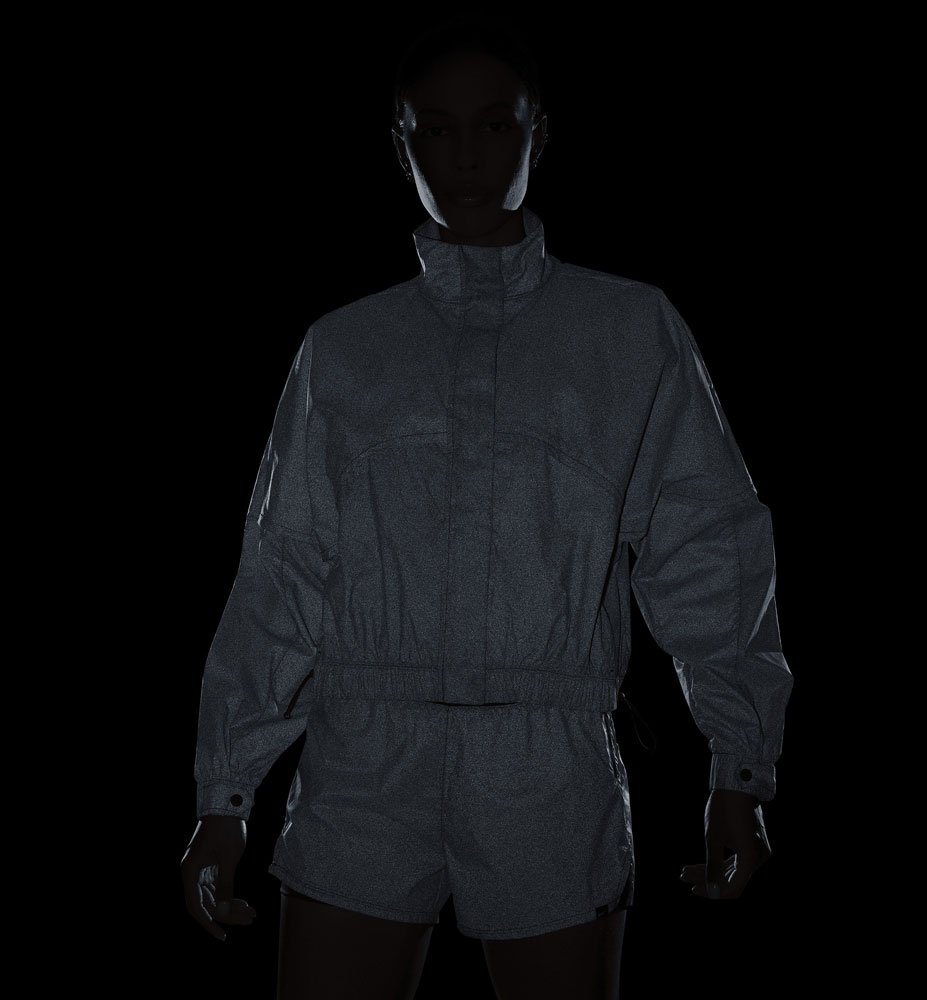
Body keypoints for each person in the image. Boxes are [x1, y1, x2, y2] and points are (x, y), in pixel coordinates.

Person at [180, 13, 793, 999]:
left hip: (548, 770)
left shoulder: (627, 332)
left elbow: (707, 551)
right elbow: (283, 573)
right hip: (363, 768)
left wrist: (740, 766)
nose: (465, 154)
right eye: (434, 129)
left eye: (495, 124)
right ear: (401, 146)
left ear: (538, 133)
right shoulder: (345, 349)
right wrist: (225, 794)